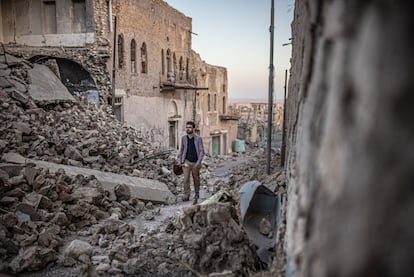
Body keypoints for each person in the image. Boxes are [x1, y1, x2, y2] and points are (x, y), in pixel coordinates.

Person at [178, 121, 205, 204]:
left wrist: (198, 162)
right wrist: (180, 161)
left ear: (193, 129)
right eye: (187, 127)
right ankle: (187, 194)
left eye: (189, 127)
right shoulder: (184, 138)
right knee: (186, 179)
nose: (188, 129)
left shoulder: (198, 138)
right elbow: (181, 150)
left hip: (195, 162)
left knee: (196, 178)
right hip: (186, 162)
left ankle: (197, 193)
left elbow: (201, 151)